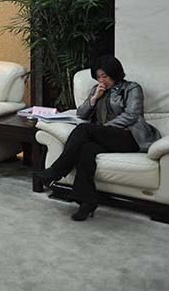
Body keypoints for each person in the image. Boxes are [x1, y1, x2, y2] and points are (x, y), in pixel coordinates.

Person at [33, 55, 161, 221]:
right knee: (86, 149)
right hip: (106, 137)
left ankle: (57, 170)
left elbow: (132, 115)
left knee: (84, 129)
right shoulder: (97, 89)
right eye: (98, 77)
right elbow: (81, 113)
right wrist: (94, 99)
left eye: (105, 76)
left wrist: (103, 129)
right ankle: (86, 203)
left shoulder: (132, 88)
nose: (101, 80)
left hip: (131, 136)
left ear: (115, 74)